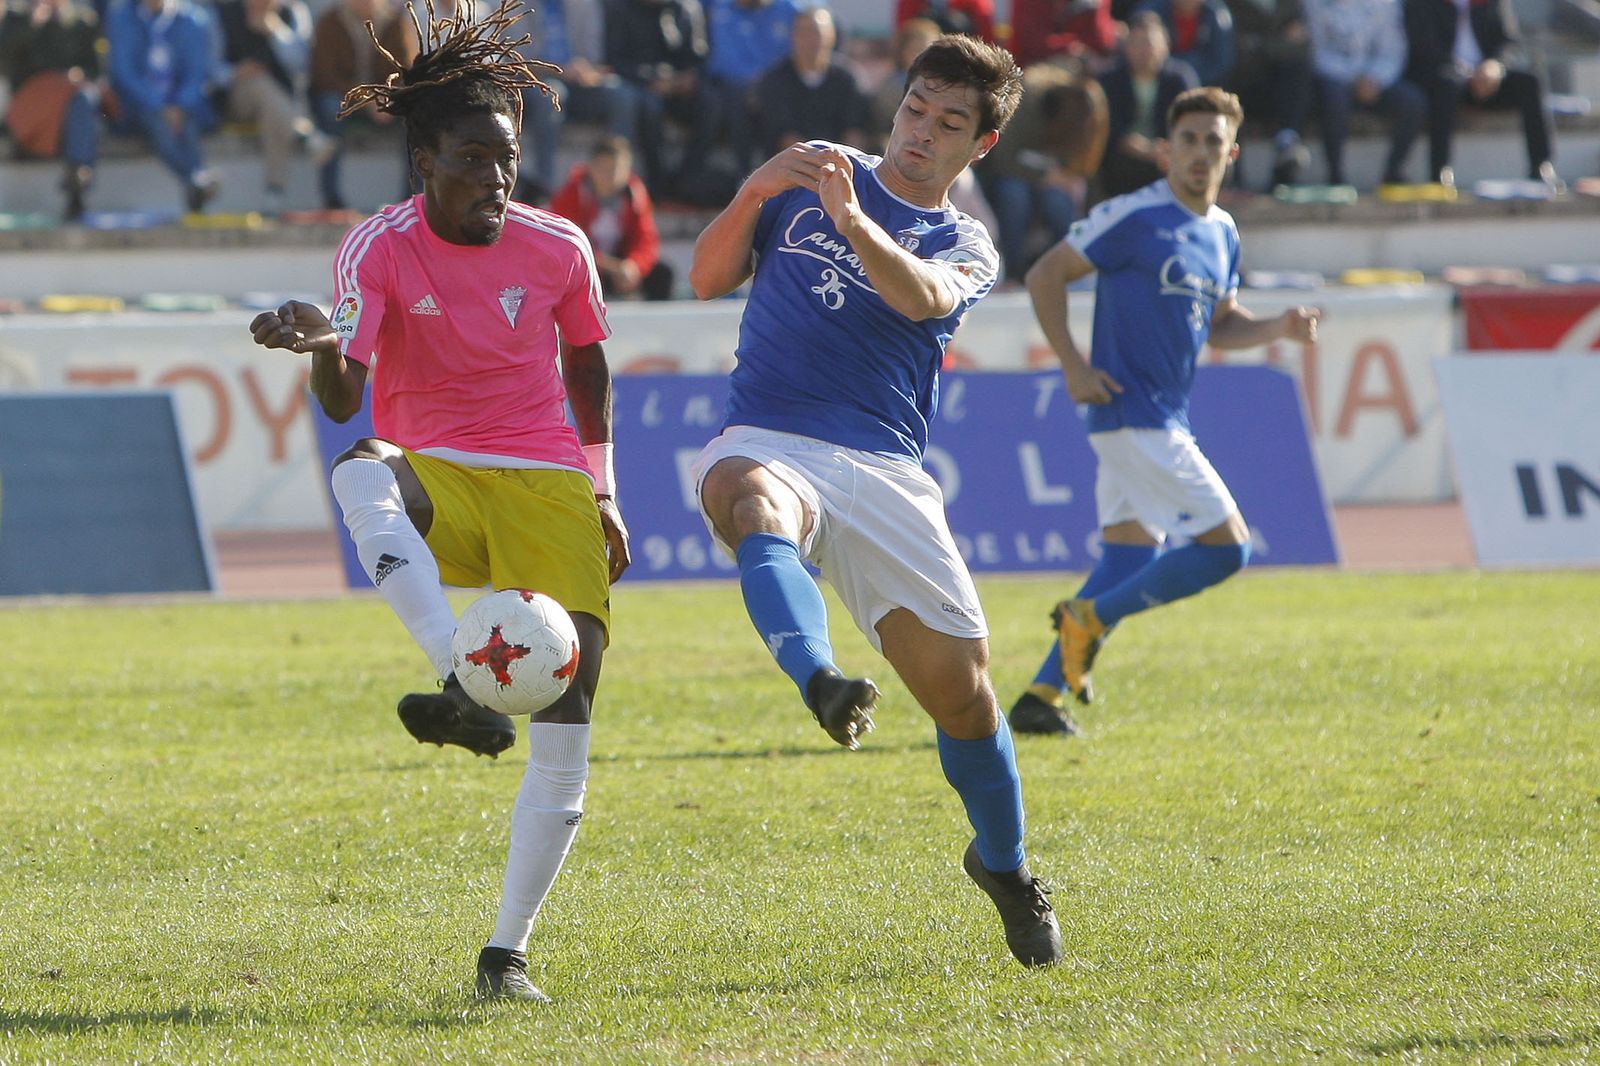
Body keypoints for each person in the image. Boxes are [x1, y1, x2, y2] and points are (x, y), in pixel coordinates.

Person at [247, 0, 630, 1002]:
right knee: (362, 468)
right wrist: (326, 344)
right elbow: (343, 401)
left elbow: (590, 379)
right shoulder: (375, 248)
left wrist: (603, 492)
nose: (495, 178)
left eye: (505, 157)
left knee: (572, 706)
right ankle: (457, 680)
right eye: (472, 157)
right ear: (425, 162)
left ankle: (506, 955)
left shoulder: (558, 248)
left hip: (547, 474)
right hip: (439, 467)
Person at [686, 34, 1062, 967]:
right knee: (744, 497)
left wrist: (855, 225)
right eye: (914, 109)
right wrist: (754, 192)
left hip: (886, 470)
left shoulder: (964, 237)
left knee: (965, 700)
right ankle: (820, 678)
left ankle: (1005, 866)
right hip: (771, 433)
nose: (920, 134)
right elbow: (703, 278)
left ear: (982, 145)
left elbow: (928, 297)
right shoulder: (815, 172)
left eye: (949, 123)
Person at [1009, 87, 1319, 734]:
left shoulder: (1223, 233)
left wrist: (1279, 328)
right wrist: (1072, 364)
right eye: (1189, 140)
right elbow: (1044, 275)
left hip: (1163, 417)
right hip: (1132, 413)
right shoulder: (1133, 217)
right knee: (1227, 548)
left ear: (1231, 153)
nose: (1200, 153)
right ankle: (1084, 621)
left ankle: (1040, 698)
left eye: (1214, 142)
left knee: (1128, 559)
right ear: (1165, 150)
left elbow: (1222, 325)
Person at [1403, 0, 1559, 190]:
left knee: (1530, 81)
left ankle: (1541, 165)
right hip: (1446, 79)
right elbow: (1425, 48)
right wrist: (1468, 73)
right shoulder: (1421, 4)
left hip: (1487, 79)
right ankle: (1439, 172)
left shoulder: (1490, 2)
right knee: (1446, 86)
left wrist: (1495, 66)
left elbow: (1509, 43)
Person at [975, 62, 1107, 282]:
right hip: (1013, 175)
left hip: (1053, 180)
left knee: (1058, 201)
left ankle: (1067, 270)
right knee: (1014, 196)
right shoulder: (1027, 102)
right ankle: (1014, 271)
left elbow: (1085, 170)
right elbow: (1002, 158)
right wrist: (1043, 176)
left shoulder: (1088, 108)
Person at [104, 0, 221, 212]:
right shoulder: (122, 17)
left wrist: (179, 104)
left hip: (183, 107)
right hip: (138, 106)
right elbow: (124, 73)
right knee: (158, 121)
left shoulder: (193, 19)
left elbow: (197, 73)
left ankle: (195, 186)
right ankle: (196, 179)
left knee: (186, 122)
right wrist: (158, 104)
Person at [214, 0, 328, 214]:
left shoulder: (292, 12)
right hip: (237, 99)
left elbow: (302, 64)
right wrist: (236, 73)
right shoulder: (223, 13)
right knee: (260, 85)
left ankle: (274, 192)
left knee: (272, 111)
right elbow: (210, 70)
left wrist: (276, 31)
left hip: (280, 105)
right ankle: (302, 133)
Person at [307, 0, 418, 210]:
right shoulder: (330, 23)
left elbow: (407, 71)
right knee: (330, 108)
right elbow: (324, 75)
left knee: (417, 115)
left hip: (385, 99)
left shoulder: (395, 23)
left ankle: (412, 196)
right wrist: (366, 98)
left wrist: (389, 96)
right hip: (345, 99)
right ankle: (331, 199)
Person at [0, 0, 103, 220]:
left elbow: (94, 68)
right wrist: (31, 24)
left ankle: (77, 177)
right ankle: (78, 173)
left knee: (83, 100)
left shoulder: (84, 19)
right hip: (32, 103)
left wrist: (76, 74)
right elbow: (5, 61)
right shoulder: (17, 18)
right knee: (78, 111)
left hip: (71, 101)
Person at [1304, 0, 1424, 187]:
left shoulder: (1386, 3)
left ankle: (1393, 173)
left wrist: (1374, 78)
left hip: (1376, 81)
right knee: (1333, 98)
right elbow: (1316, 52)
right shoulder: (1314, 4)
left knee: (1413, 101)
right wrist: (1353, 79)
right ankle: (1335, 175)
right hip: (1335, 79)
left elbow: (1393, 51)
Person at [549, 135, 675, 300]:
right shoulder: (572, 193)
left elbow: (646, 240)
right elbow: (566, 243)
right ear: (591, 167)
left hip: (620, 262)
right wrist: (608, 265)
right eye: (603, 168)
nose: (609, 175)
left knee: (663, 274)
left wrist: (634, 266)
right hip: (586, 263)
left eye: (615, 169)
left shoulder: (634, 194)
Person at [1097, 12, 1195, 199]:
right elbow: (1111, 128)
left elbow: (1190, 121)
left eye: (1149, 43)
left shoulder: (1179, 79)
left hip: (1170, 153)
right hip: (1124, 156)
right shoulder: (1109, 80)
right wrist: (1147, 150)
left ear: (1165, 46)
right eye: (1136, 43)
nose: (1143, 50)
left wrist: (1168, 149)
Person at [752, 6, 868, 158]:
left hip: (841, 163)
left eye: (817, 33)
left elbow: (854, 131)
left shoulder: (847, 79)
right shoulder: (774, 80)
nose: (810, 40)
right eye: (804, 32)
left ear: (832, 36)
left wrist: (847, 164)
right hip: (791, 166)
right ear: (793, 36)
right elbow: (784, 135)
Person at [1132, 0, 1233, 88]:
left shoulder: (1218, 16)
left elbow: (1221, 62)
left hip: (1205, 86)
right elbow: (1135, 48)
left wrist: (1187, 76)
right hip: (1158, 84)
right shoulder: (1151, 9)